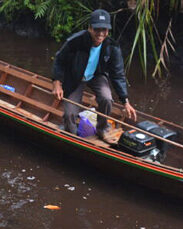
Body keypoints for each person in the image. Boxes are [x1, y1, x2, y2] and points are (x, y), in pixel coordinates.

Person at [51, 9, 137, 140]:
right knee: (69, 114)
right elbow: (59, 60)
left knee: (107, 99)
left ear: (108, 31)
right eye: (97, 29)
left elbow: (118, 74)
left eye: (105, 30)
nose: (101, 33)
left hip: (97, 75)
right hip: (75, 77)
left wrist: (125, 101)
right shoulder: (76, 41)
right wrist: (57, 83)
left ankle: (102, 129)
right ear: (90, 28)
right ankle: (71, 135)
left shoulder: (112, 47)